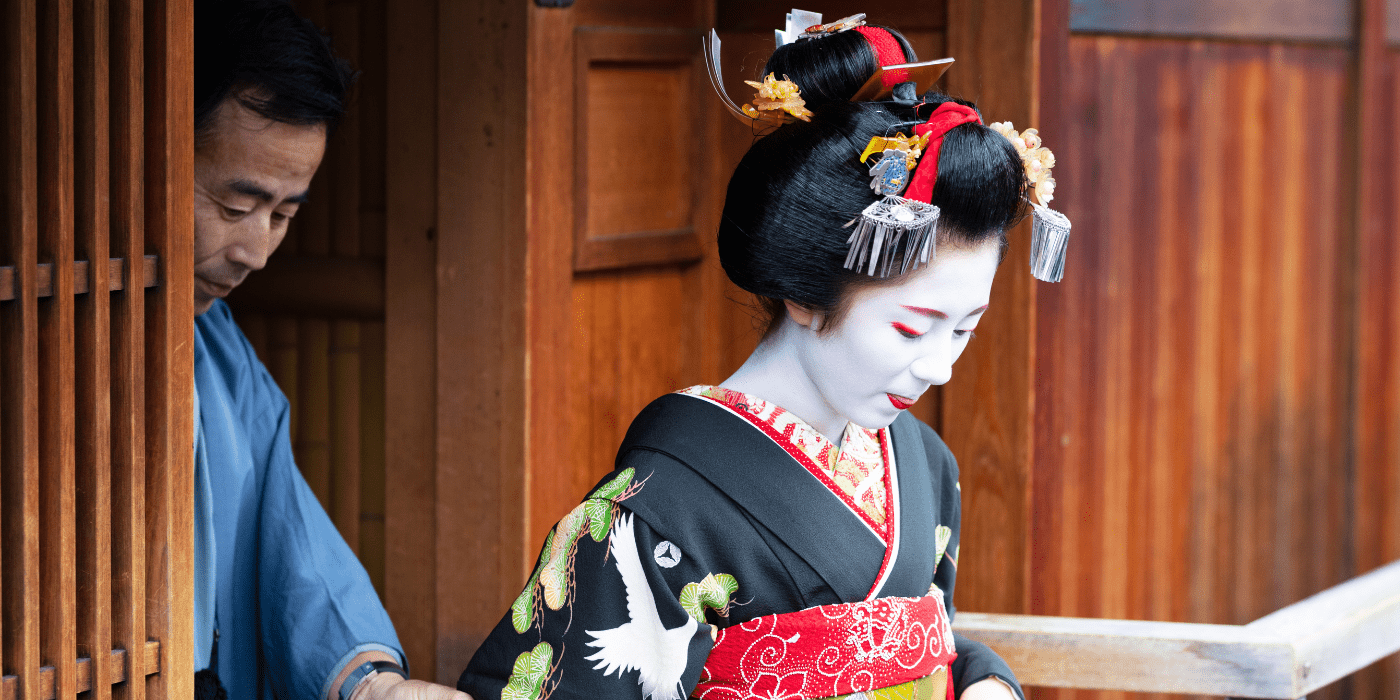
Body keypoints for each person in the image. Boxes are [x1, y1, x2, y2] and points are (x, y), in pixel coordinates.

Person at [457, 14, 1056, 700]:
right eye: (913, 329)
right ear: (804, 295)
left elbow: (932, 643)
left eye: (964, 330)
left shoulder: (925, 463)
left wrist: (984, 682)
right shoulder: (659, 506)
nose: (939, 367)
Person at [192, 2, 469, 698]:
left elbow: (293, 542)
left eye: (282, 215)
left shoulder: (219, 353)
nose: (257, 250)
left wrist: (375, 688)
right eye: (233, 207)